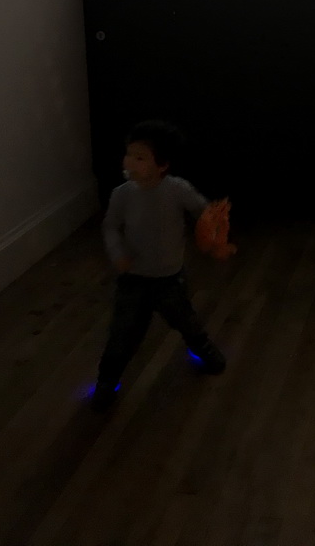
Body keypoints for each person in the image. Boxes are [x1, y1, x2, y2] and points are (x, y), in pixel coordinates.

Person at [91, 120, 233, 412]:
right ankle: (107, 381)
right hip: (132, 279)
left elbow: (202, 211)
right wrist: (117, 252)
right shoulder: (122, 195)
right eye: (128, 154)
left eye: (140, 157)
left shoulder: (177, 190)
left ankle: (203, 349)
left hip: (169, 278)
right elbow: (111, 226)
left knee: (185, 320)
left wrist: (215, 235)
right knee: (122, 332)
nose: (129, 161)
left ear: (163, 164)